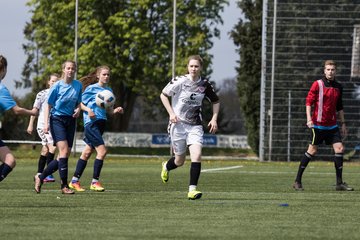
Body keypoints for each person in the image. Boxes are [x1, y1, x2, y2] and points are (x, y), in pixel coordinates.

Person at [160, 55, 220, 200]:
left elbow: (216, 101)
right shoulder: (179, 81)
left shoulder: (205, 84)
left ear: (201, 68)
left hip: (195, 126)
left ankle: (192, 190)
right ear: (187, 67)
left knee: (197, 155)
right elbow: (163, 95)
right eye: (191, 66)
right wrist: (171, 113)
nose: (193, 69)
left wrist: (214, 118)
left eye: (196, 66)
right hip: (177, 125)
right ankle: (166, 167)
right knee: (179, 161)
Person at [293, 60, 353, 191]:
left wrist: (343, 123)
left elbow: (339, 107)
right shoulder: (317, 84)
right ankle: (297, 181)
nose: (330, 72)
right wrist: (309, 119)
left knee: (339, 149)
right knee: (312, 151)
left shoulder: (338, 87)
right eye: (328, 69)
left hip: (332, 126)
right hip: (318, 126)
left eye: (332, 69)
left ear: (335, 71)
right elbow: (308, 102)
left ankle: (339, 183)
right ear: (324, 71)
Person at [68, 66, 123, 192]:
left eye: (108, 75)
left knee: (87, 153)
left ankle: (74, 181)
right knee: (102, 151)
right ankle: (95, 182)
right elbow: (79, 103)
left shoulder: (109, 90)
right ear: (98, 76)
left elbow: (108, 110)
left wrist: (115, 110)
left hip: (101, 123)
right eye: (104, 74)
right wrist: (88, 110)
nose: (106, 77)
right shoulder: (91, 88)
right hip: (91, 123)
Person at [34, 60, 82, 194]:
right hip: (57, 120)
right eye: (68, 68)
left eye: (73, 68)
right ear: (64, 70)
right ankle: (64, 186)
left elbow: (79, 102)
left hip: (71, 121)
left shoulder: (78, 85)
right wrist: (47, 124)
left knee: (63, 155)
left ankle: (41, 177)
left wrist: (78, 109)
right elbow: (48, 106)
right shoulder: (57, 86)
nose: (71, 70)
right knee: (64, 151)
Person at [0, 55, 38, 182]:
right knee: (9, 161)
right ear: (4, 69)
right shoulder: (1, 89)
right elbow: (16, 110)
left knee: (10, 161)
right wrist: (32, 112)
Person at [27, 74, 59, 183]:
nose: (55, 83)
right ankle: (48, 174)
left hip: (54, 126)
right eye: (53, 81)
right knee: (53, 148)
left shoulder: (60, 94)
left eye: (57, 81)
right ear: (49, 82)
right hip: (42, 126)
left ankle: (40, 173)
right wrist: (31, 124)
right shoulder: (42, 94)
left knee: (45, 150)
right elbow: (34, 110)